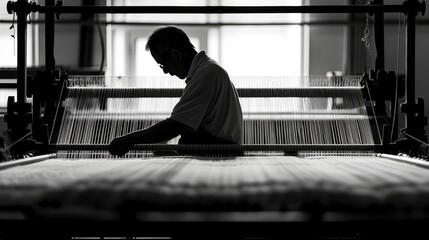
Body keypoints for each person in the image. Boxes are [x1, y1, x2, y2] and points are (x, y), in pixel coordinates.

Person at [109, 26, 243, 157]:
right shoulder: (207, 69)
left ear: (175, 54)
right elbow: (182, 124)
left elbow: (175, 125)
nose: (165, 71)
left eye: (162, 64)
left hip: (222, 151)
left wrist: (128, 140)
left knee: (185, 140)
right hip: (221, 148)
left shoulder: (206, 74)